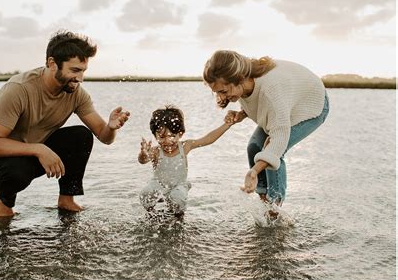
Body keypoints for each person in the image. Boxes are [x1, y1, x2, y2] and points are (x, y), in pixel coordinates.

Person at [0, 30, 130, 218]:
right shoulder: (18, 90)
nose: (80, 78)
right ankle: (3, 202)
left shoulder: (76, 93)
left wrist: (111, 127)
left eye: (83, 71)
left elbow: (104, 136)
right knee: (14, 171)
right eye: (75, 70)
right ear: (52, 63)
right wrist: (39, 149)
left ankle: (66, 200)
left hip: (31, 152)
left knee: (81, 136)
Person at [203, 50, 329, 216]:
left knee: (272, 149)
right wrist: (241, 114)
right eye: (217, 92)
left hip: (310, 106)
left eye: (223, 91)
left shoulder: (271, 90)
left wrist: (254, 170)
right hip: (285, 104)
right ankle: (263, 198)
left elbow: (278, 140)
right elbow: (256, 100)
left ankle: (274, 210)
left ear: (239, 78)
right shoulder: (242, 83)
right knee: (254, 147)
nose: (220, 96)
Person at [138, 105, 245, 216]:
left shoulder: (185, 146)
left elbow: (208, 139)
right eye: (162, 137)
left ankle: (178, 218)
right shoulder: (156, 151)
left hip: (178, 185)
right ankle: (152, 215)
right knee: (145, 194)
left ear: (180, 134)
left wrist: (227, 125)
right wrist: (143, 154)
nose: (168, 141)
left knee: (177, 199)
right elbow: (143, 160)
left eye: (172, 136)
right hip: (159, 184)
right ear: (155, 136)